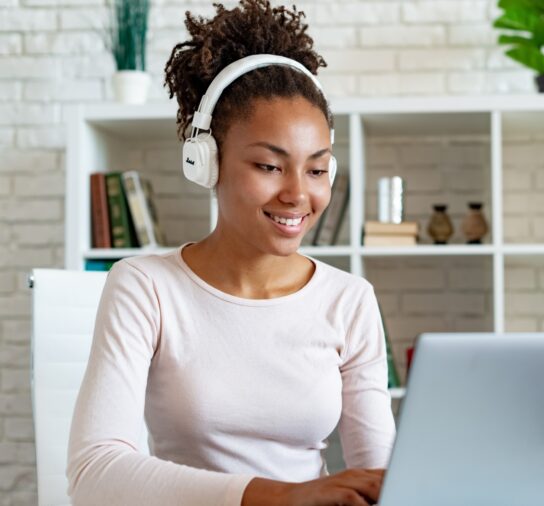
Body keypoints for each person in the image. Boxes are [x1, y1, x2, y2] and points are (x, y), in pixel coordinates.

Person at [66, 1, 396, 505]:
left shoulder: (349, 299)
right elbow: (94, 474)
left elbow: (382, 476)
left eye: (316, 169)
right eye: (268, 166)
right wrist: (281, 497)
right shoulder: (145, 286)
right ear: (206, 162)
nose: (297, 195)